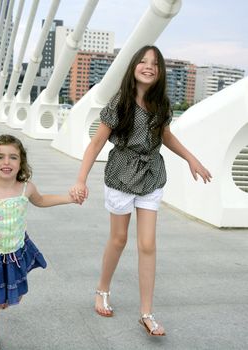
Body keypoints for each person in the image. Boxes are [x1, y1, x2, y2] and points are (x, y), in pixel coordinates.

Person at [69, 45, 212, 336]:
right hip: (122, 173)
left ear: (160, 72)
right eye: (143, 62)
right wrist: (80, 180)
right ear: (134, 66)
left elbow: (166, 136)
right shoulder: (120, 102)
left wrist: (191, 159)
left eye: (155, 64)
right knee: (119, 239)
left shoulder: (162, 105)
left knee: (148, 244)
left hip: (151, 174)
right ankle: (102, 289)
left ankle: (147, 312)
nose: (149, 66)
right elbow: (96, 143)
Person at [0, 134, 80, 350]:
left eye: (13, 157)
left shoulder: (27, 188)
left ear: (21, 162)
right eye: (0, 157)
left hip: (17, 252)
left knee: (15, 293)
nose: (6, 162)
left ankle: (6, 295)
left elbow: (42, 200)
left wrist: (68, 198)